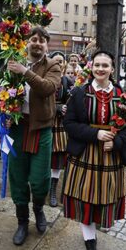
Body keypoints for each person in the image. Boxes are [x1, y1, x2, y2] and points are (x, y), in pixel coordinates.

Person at [61, 50, 126, 250]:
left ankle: (93, 235)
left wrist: (116, 141)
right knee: (85, 202)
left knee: (101, 202)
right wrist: (95, 134)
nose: (101, 69)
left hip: (110, 158)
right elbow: (69, 124)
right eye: (97, 65)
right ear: (91, 67)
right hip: (85, 154)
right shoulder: (79, 93)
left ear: (112, 69)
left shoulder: (123, 97)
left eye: (106, 65)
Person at [5, 27, 61, 245]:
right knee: (18, 179)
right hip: (17, 128)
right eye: (33, 39)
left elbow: (48, 88)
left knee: (39, 180)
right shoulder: (14, 61)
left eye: (42, 40)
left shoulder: (52, 65)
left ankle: (38, 209)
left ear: (47, 45)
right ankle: (22, 221)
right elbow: (1, 90)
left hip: (41, 129)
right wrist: (5, 114)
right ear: (27, 43)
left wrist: (24, 72)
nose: (37, 43)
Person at [49, 52, 73, 207]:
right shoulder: (45, 79)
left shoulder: (68, 81)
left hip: (60, 126)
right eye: (55, 61)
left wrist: (66, 107)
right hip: (46, 121)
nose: (58, 64)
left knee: (57, 160)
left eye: (61, 61)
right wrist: (56, 107)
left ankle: (53, 190)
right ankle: (40, 186)